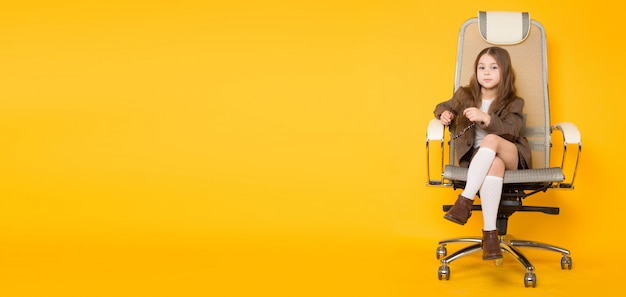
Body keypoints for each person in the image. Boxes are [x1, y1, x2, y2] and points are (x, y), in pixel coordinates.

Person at [433, 46, 532, 260]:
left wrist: (486, 118)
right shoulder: (464, 94)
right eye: (481, 67)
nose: (486, 72)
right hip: (480, 160)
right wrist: (446, 114)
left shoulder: (514, 101)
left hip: (511, 154)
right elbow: (441, 106)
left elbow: (513, 131)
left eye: (493, 67)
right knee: (494, 164)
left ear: (504, 72)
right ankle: (490, 235)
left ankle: (465, 200)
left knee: (491, 140)